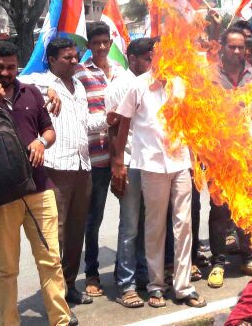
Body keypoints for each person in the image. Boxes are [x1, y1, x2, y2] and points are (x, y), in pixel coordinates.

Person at [0, 41, 72, 326]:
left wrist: (41, 141)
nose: (6, 73)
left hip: (39, 187)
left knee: (50, 260)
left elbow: (49, 130)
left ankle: (60, 320)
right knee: (7, 268)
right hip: (0, 197)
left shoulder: (31, 92)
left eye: (11, 67)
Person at [113, 48, 206, 309]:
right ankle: (155, 286)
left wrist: (195, 159)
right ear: (154, 59)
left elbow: (189, 123)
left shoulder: (180, 85)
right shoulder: (138, 86)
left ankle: (184, 286)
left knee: (183, 224)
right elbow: (122, 124)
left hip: (181, 163)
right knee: (154, 227)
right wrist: (119, 160)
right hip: (151, 165)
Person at [24, 37, 99, 307]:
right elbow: (20, 80)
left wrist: (111, 117)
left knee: (76, 231)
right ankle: (55, 297)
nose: (74, 61)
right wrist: (48, 88)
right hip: (56, 168)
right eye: (67, 57)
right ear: (52, 60)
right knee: (56, 234)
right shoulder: (40, 84)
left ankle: (69, 285)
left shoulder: (78, 85)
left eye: (75, 56)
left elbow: (85, 122)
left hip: (82, 166)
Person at [207, 29, 252, 288]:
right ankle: (218, 262)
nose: (236, 51)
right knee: (220, 210)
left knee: (248, 208)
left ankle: (249, 255)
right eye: (231, 47)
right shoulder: (210, 76)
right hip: (219, 155)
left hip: (249, 154)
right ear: (223, 48)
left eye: (240, 47)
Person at [77, 22, 125, 300]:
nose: (102, 47)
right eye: (96, 43)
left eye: (105, 42)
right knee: (92, 219)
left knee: (128, 216)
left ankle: (124, 269)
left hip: (121, 156)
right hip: (95, 157)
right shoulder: (81, 73)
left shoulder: (120, 73)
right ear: (90, 46)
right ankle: (92, 272)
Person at [108, 37, 155, 308]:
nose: (152, 64)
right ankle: (126, 285)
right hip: (128, 162)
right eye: (148, 59)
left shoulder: (153, 83)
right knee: (129, 226)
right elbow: (113, 127)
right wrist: (117, 164)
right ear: (133, 59)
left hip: (150, 163)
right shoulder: (120, 86)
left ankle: (143, 275)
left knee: (147, 225)